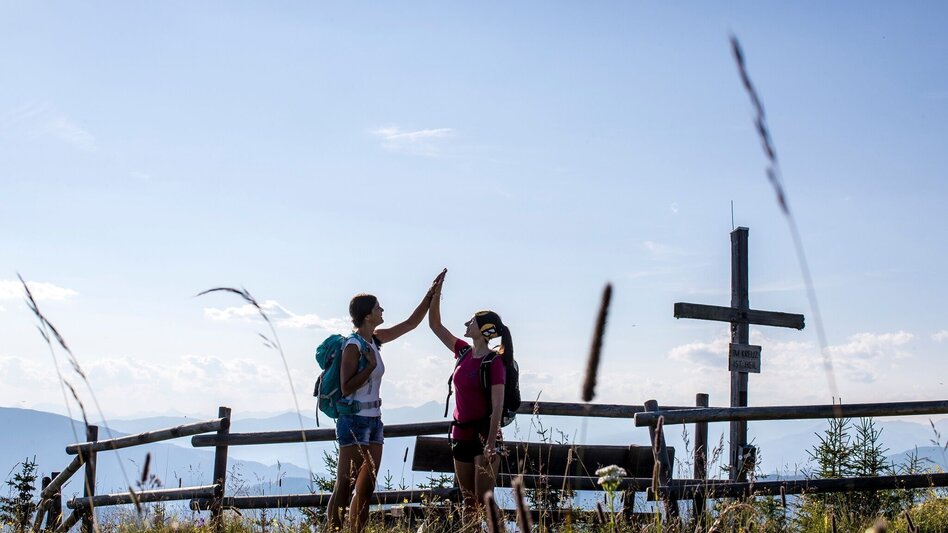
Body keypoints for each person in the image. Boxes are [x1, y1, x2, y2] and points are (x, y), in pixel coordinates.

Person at [326, 274, 441, 533]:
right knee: (344, 486)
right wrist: (371, 367)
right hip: (354, 420)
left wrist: (431, 294)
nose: (382, 310)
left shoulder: (374, 340)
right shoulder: (353, 346)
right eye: (378, 307)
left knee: (365, 487)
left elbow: (411, 323)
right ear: (368, 315)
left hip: (374, 420)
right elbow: (346, 387)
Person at [427, 270, 512, 514]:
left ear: (485, 330)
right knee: (468, 503)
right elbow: (435, 325)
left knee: (485, 502)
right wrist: (436, 292)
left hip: (485, 436)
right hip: (460, 434)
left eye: (471, 321)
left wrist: (491, 443)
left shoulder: (494, 362)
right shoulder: (463, 352)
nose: (466, 324)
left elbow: (497, 405)